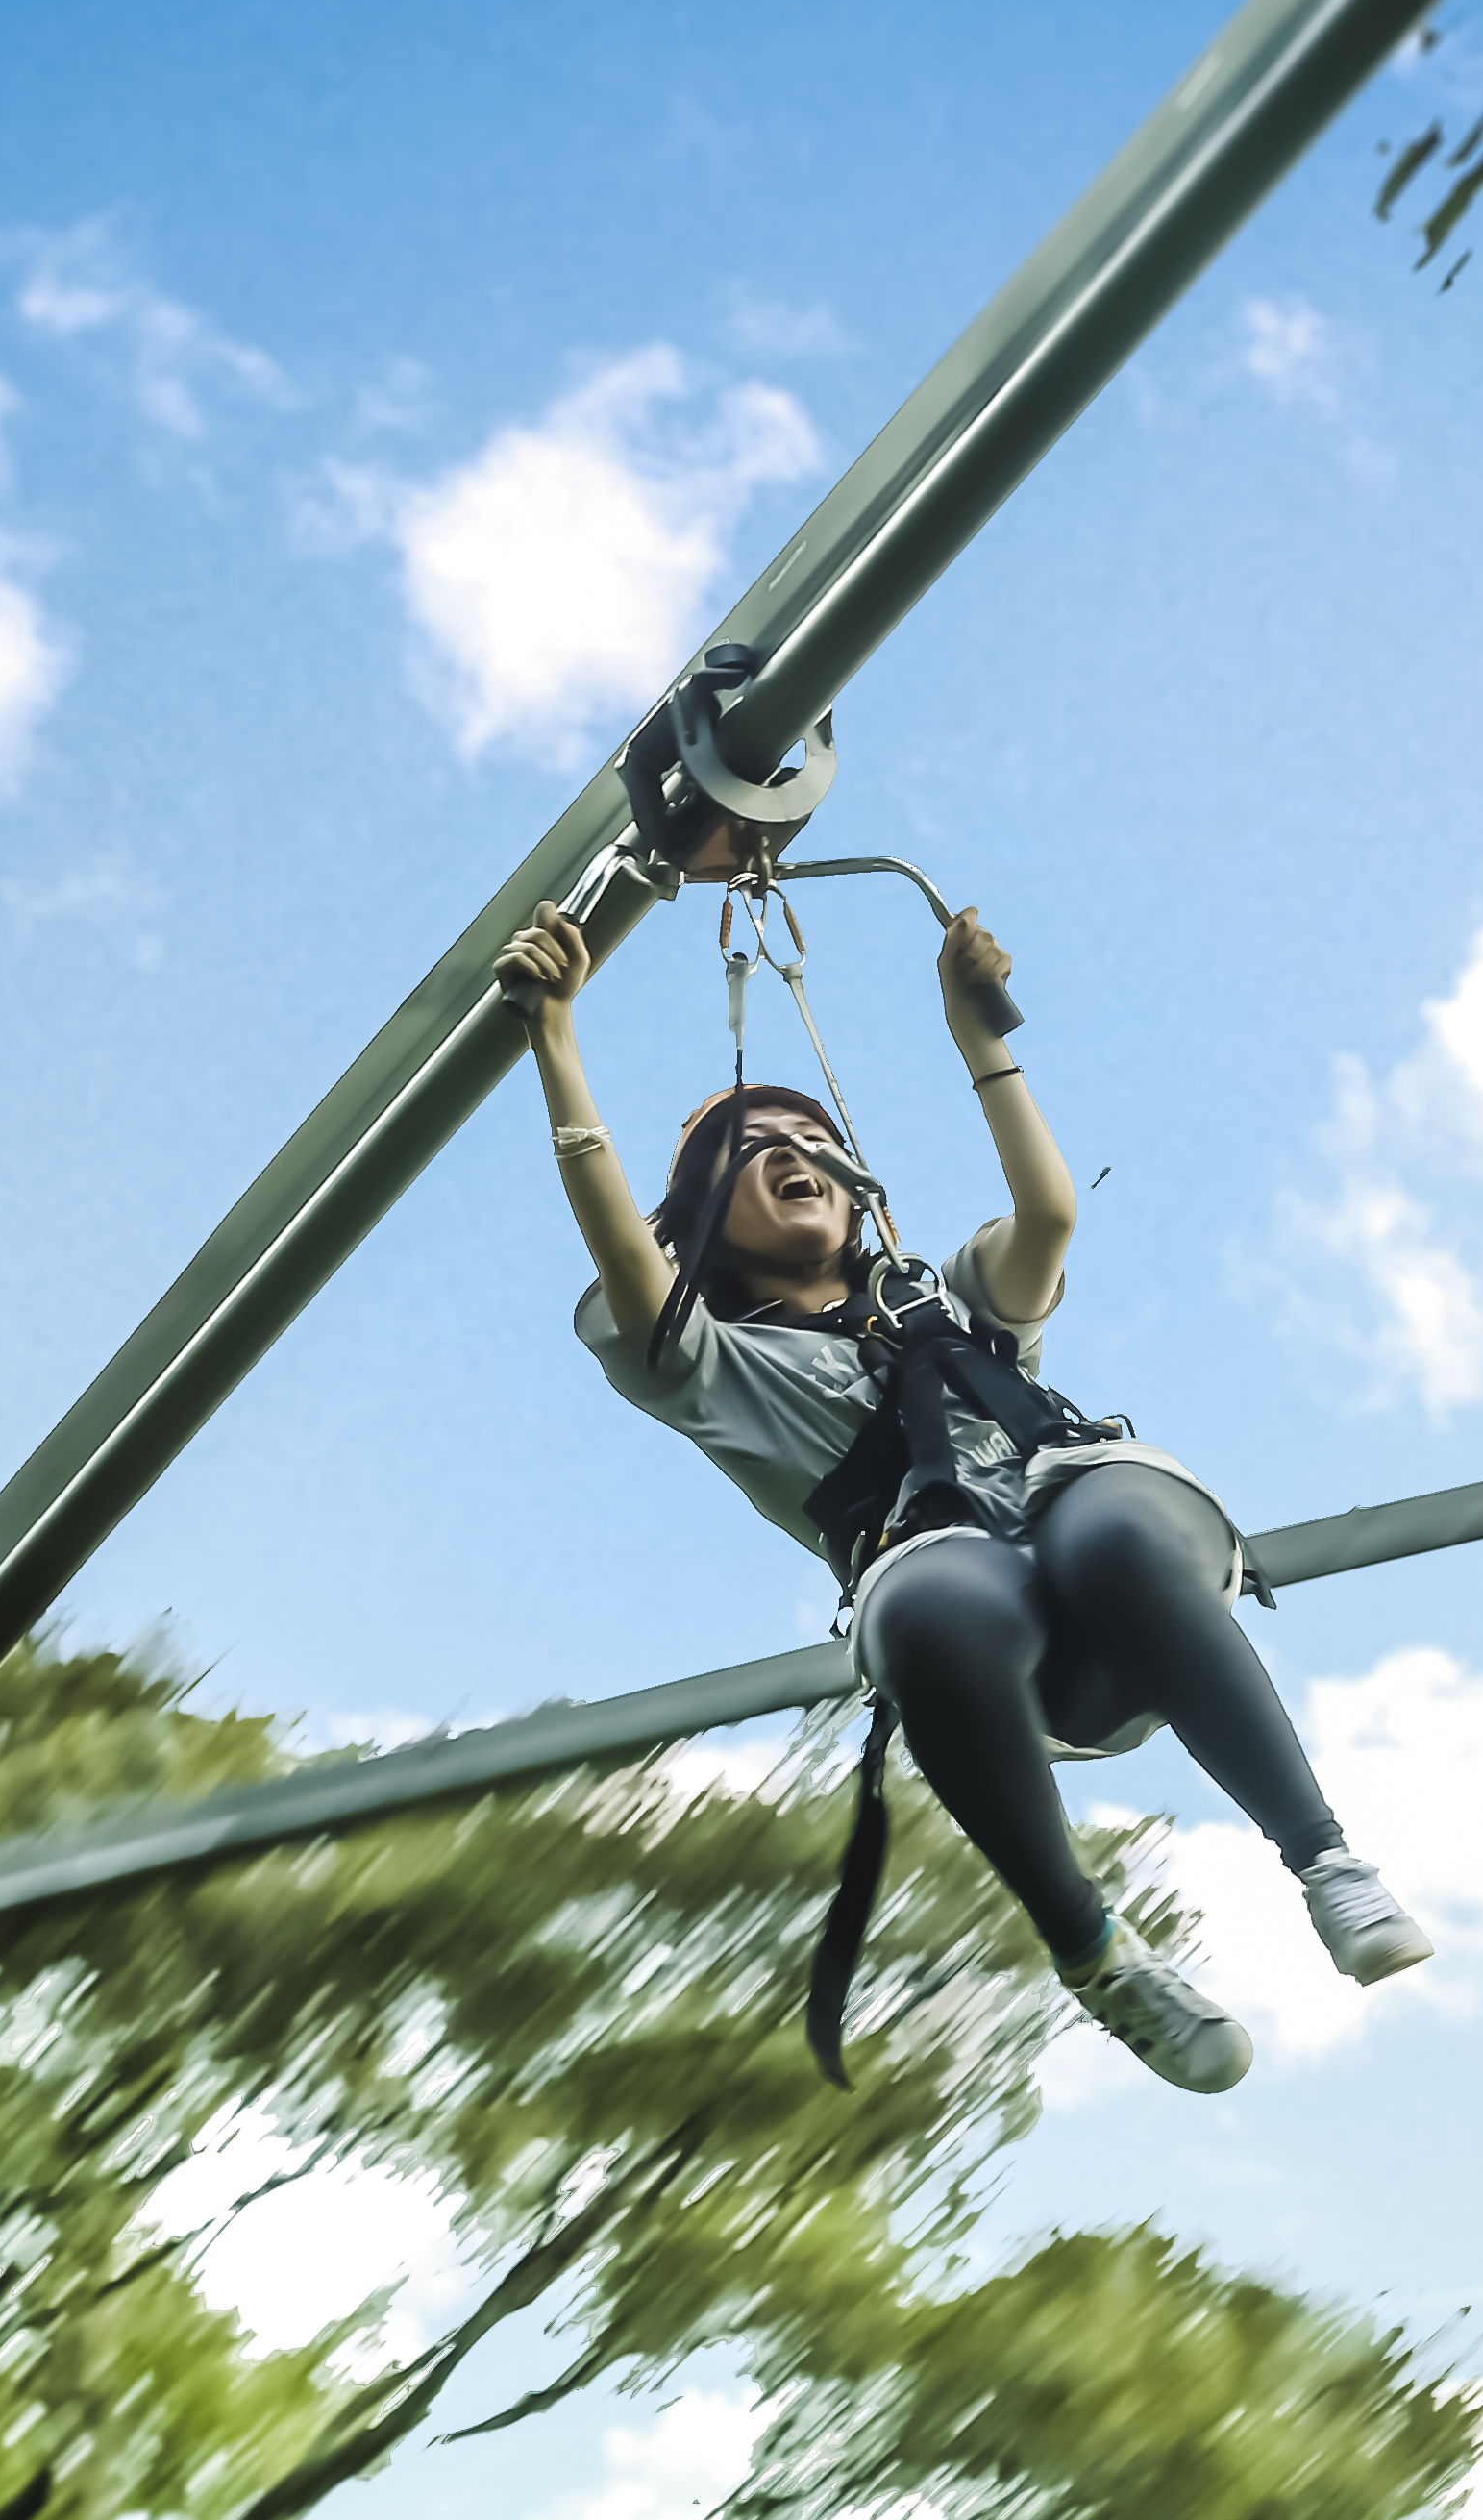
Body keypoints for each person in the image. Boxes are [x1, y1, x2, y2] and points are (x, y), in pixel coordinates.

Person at [492, 879, 1427, 2094]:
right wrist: (555, 1045)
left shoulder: (949, 1299)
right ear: (704, 1227)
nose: (788, 1154)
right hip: (981, 1643)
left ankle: (1326, 1863)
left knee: (1108, 1519)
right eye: (749, 1151)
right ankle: (1094, 1951)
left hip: (1122, 1586)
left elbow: (1048, 1211)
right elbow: (623, 1251)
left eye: (804, 1136)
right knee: (939, 1592)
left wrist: (979, 1042)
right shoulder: (717, 1365)